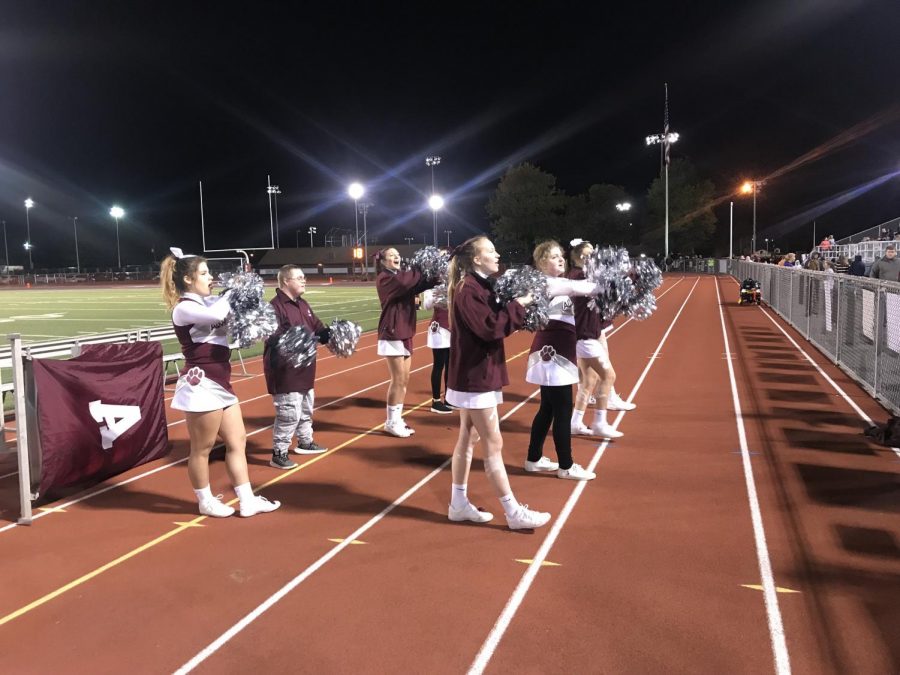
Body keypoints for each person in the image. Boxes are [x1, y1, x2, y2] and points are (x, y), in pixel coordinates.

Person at [161, 248, 280, 518]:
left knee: (238, 441)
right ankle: (205, 500)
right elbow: (218, 316)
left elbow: (230, 316)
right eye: (204, 273)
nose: (211, 277)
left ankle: (247, 499)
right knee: (201, 448)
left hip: (222, 381)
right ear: (189, 280)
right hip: (201, 385)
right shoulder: (184, 308)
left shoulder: (209, 301)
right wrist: (233, 292)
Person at [445, 235, 550, 530]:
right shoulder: (469, 290)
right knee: (493, 444)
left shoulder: (478, 286)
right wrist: (519, 304)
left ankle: (458, 504)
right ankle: (513, 512)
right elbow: (491, 328)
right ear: (477, 259)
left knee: (468, 438)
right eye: (490, 251)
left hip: (475, 373)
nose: (497, 254)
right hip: (476, 376)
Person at [523, 241, 602, 482]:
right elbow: (589, 288)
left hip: (556, 351)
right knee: (562, 410)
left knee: (547, 409)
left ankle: (533, 459)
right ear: (540, 263)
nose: (560, 260)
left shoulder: (557, 283)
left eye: (561, 256)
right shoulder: (549, 283)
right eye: (554, 257)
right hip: (553, 353)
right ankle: (566, 465)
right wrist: (613, 279)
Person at [263, 265, 330, 470]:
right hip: (284, 371)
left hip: (305, 369)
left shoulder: (302, 304)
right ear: (286, 281)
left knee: (306, 408)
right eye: (299, 278)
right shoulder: (274, 307)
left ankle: (305, 441)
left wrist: (332, 334)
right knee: (289, 413)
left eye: (304, 277)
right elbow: (272, 338)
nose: (304, 280)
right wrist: (297, 340)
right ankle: (279, 453)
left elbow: (318, 327)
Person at [566, 241, 633, 441]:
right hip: (585, 336)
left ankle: (575, 422)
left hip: (586, 334)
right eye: (588, 255)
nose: (593, 259)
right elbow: (603, 286)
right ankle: (599, 422)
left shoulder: (583, 276)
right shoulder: (580, 277)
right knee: (608, 376)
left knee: (589, 381)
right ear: (578, 258)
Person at [376, 247, 438, 437]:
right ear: (384, 261)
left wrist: (435, 274)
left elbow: (419, 284)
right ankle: (391, 421)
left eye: (397, 254)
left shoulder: (401, 276)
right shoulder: (386, 278)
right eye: (392, 255)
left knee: (405, 380)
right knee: (398, 380)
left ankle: (397, 418)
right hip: (392, 331)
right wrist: (420, 266)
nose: (397, 257)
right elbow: (405, 283)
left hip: (405, 330)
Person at [422, 286, 454, 414]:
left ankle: (449, 398)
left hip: (453, 329)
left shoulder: (455, 284)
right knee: (439, 365)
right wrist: (437, 296)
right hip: (439, 329)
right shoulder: (432, 287)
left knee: (451, 366)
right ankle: (435, 401)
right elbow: (426, 306)